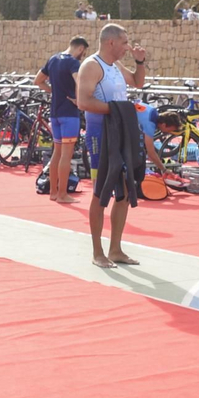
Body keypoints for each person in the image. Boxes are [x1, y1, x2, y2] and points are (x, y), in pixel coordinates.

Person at [75, 23, 148, 268]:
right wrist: (119, 110)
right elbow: (83, 102)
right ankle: (98, 252)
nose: (128, 47)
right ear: (111, 42)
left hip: (120, 132)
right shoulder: (91, 66)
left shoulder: (115, 66)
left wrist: (140, 62)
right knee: (100, 193)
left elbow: (137, 82)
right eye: (125, 43)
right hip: (100, 135)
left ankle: (115, 249)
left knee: (124, 192)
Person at [35, 36, 89, 204]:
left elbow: (38, 81)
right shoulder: (73, 63)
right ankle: (63, 194)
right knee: (66, 155)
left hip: (55, 112)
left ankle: (53, 192)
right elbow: (79, 81)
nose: (82, 56)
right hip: (69, 114)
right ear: (80, 49)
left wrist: (54, 91)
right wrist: (79, 100)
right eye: (83, 53)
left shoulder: (53, 59)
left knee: (56, 153)